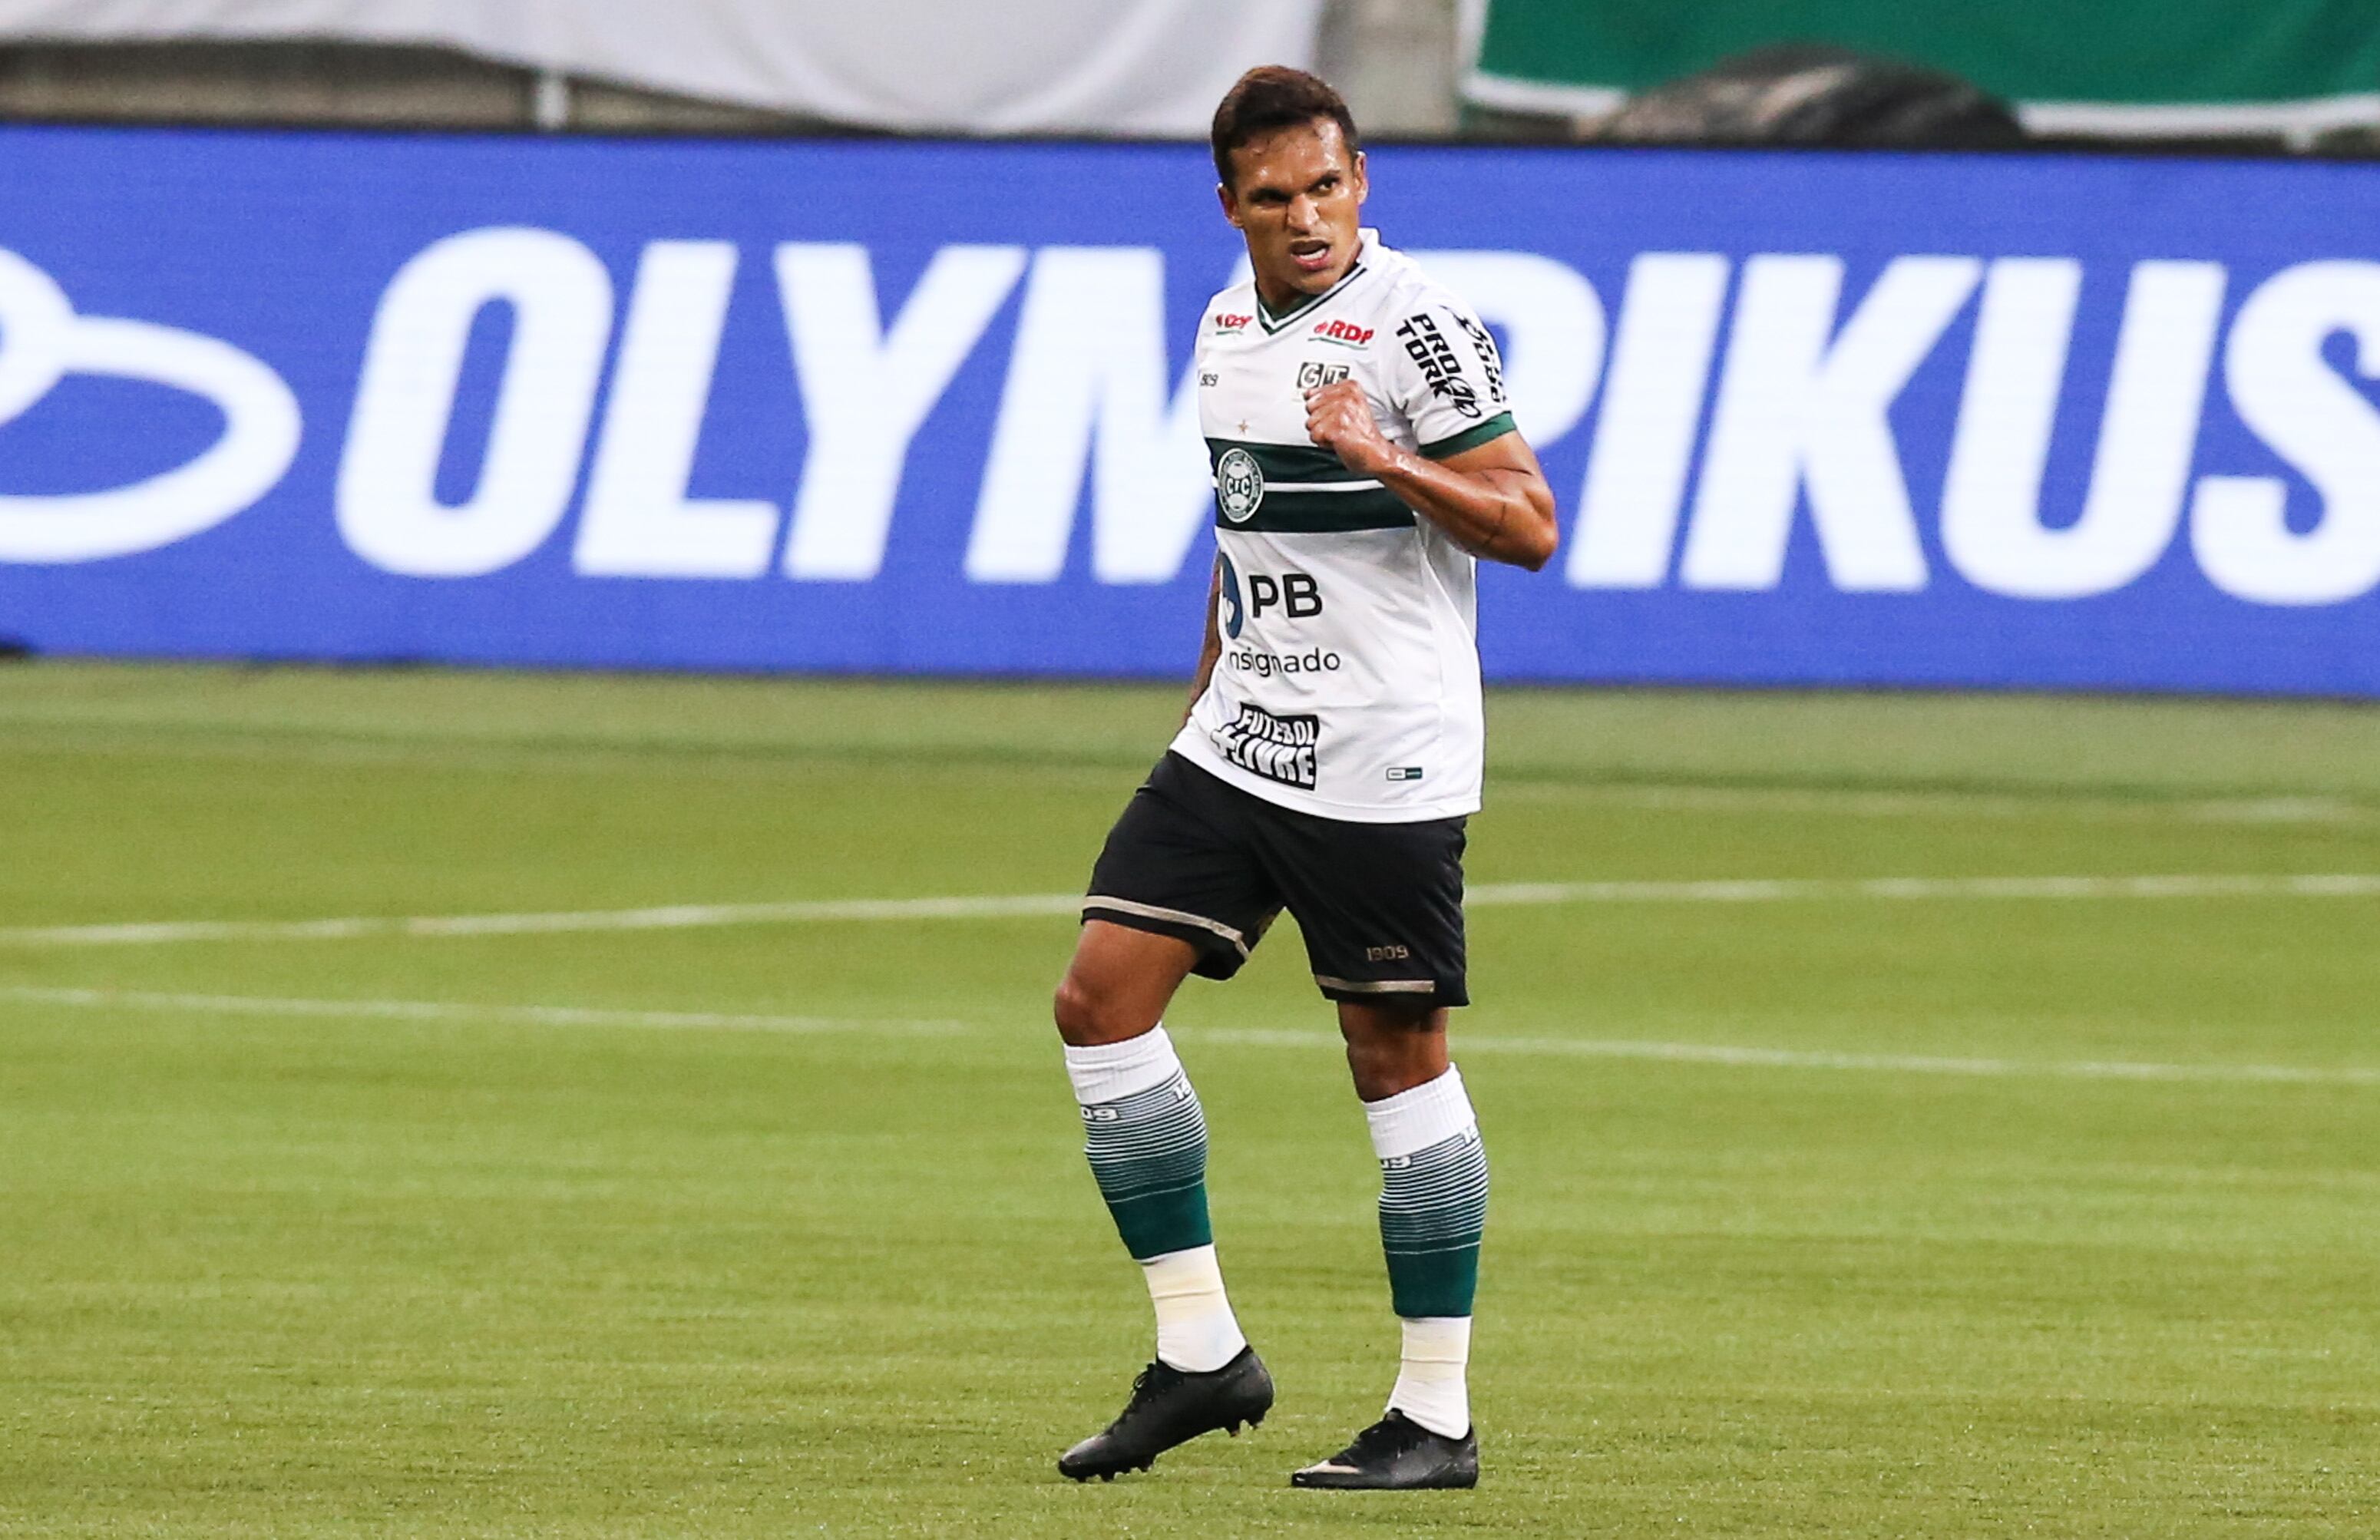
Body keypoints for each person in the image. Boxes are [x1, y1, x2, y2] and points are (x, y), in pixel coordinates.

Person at [1050, 64, 1559, 1492]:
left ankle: (1437, 1416)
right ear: (1231, 206)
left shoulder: (1419, 327)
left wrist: (1385, 454)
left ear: (1362, 181)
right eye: (1272, 198)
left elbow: (1529, 523)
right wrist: (1208, 681)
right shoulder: (1224, 323)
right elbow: (1242, 523)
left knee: (1393, 1062)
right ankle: (1203, 1350)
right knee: (1098, 999)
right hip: (1241, 737)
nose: (1305, 217)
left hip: (1383, 753)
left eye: (1325, 186)